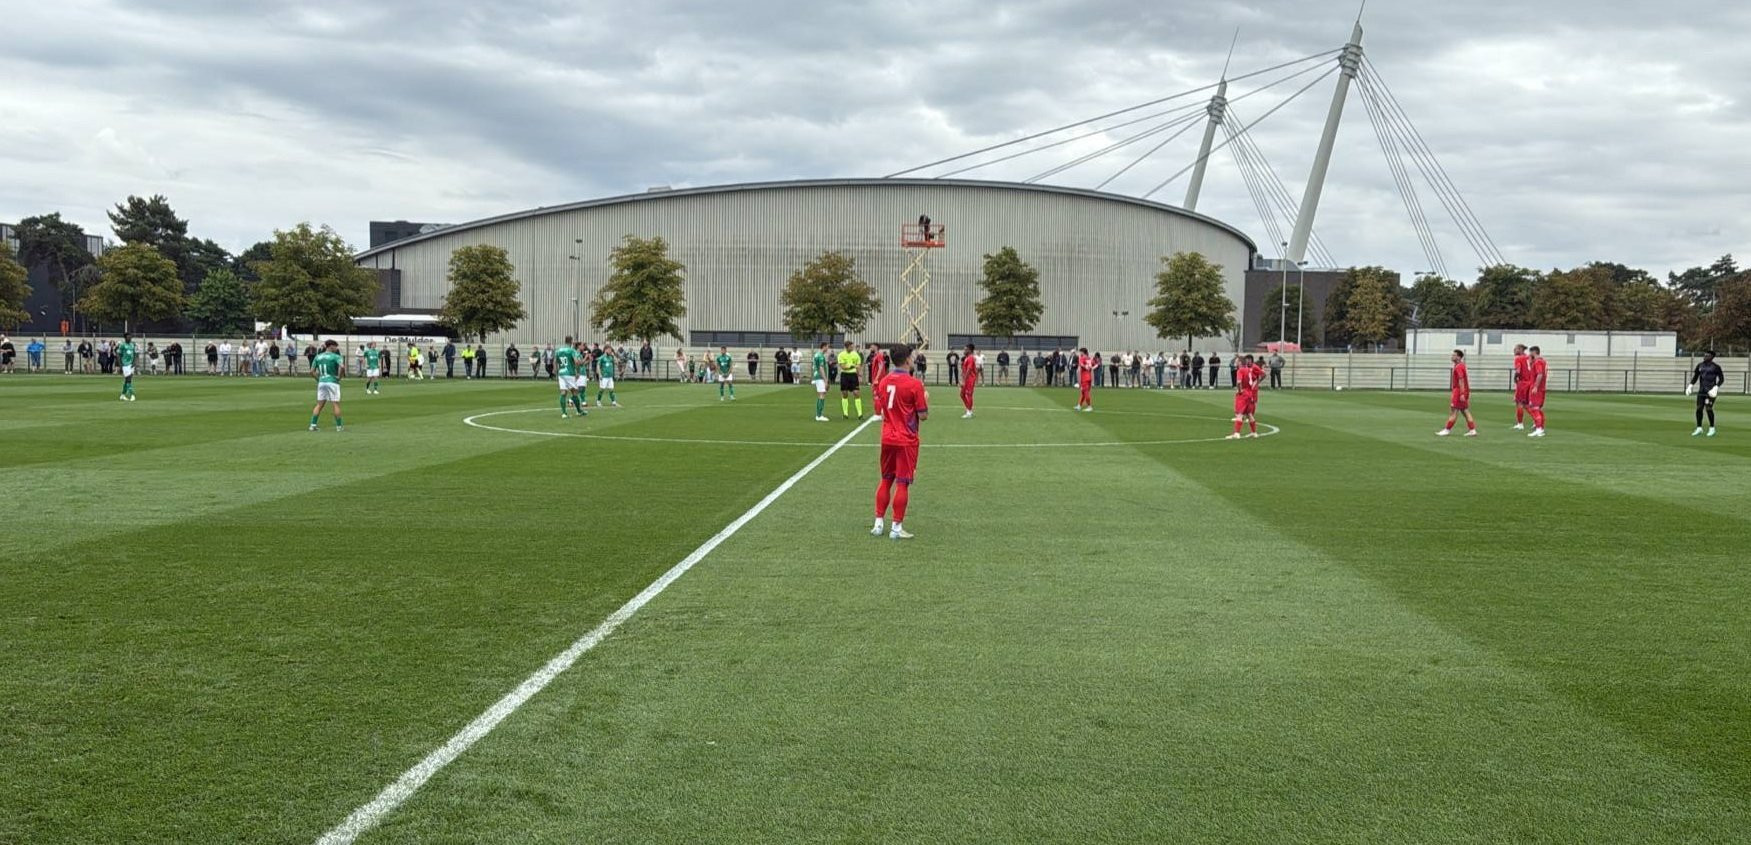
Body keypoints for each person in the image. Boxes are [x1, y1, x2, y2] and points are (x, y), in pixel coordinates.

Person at [872, 344, 928, 540]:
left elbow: (880, 408)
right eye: (911, 357)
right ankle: (896, 526)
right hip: (906, 439)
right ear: (907, 360)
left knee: (886, 479)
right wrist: (925, 399)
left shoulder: (884, 381)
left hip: (887, 436)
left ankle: (878, 523)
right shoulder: (915, 384)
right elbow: (923, 415)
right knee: (902, 483)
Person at [1437, 349, 1477, 437]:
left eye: (1454, 355)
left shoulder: (1459, 366)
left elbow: (1461, 379)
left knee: (1454, 411)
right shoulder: (1460, 365)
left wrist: (1462, 393)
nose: (1452, 356)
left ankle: (1447, 429)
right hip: (1463, 391)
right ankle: (1472, 430)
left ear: (1459, 357)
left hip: (1459, 391)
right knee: (1465, 411)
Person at [308, 339, 346, 431]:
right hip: (332, 381)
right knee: (335, 404)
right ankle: (339, 427)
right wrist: (339, 377)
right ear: (331, 346)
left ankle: (313, 425)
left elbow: (311, 371)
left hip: (322, 382)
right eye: (335, 346)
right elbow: (342, 366)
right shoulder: (336, 356)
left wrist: (318, 379)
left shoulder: (318, 356)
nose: (336, 348)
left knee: (319, 404)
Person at [1688, 349, 1724, 437]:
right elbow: (1696, 377)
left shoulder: (1716, 367)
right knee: (1699, 408)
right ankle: (1699, 428)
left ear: (1712, 357)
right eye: (1704, 355)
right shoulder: (1700, 366)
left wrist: (1716, 387)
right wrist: (1690, 385)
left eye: (1707, 355)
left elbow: (1721, 379)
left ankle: (1712, 428)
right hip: (1701, 391)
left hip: (1710, 391)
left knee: (1708, 408)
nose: (1705, 357)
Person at [1227, 354, 1264, 440]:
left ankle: (1236, 433)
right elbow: (1254, 379)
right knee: (1249, 414)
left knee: (1239, 413)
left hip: (1243, 394)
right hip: (1250, 393)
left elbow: (1239, 382)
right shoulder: (1248, 369)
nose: (1235, 362)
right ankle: (1254, 432)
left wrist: (1239, 391)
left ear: (1240, 362)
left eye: (1236, 361)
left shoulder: (1240, 370)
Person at [554, 337, 587, 418]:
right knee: (575, 392)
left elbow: (555, 361)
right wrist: (578, 371)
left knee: (563, 392)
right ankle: (579, 411)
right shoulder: (571, 350)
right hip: (569, 373)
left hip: (561, 373)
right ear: (571, 342)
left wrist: (556, 371)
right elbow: (576, 362)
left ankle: (564, 413)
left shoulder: (559, 350)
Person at [1525, 346, 1548, 437]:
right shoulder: (1542, 361)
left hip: (1537, 389)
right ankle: (1541, 428)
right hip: (1541, 388)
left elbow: (1539, 374)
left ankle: (1538, 429)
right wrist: (1530, 362)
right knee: (1537, 409)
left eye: (1530, 352)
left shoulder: (1538, 362)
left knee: (1534, 409)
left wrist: (1535, 387)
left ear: (1534, 352)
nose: (1529, 354)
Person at [837, 341, 864, 419]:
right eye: (851, 347)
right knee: (844, 393)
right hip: (844, 375)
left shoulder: (855, 354)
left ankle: (860, 414)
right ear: (847, 347)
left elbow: (858, 365)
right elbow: (843, 366)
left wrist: (859, 374)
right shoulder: (841, 355)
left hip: (853, 375)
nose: (852, 348)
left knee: (856, 393)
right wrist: (853, 366)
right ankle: (845, 414)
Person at [809, 342, 833, 421]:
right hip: (820, 377)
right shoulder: (821, 356)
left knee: (821, 394)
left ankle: (818, 414)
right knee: (822, 394)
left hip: (817, 376)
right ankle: (819, 415)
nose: (828, 349)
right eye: (827, 347)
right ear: (824, 347)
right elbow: (821, 368)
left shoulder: (816, 354)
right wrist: (825, 380)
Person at [1511, 343, 1532, 430]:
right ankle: (1537, 420)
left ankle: (1520, 424)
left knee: (1519, 403)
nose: (1514, 350)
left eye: (1515, 349)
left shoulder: (1518, 358)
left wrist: (1515, 378)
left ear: (1520, 349)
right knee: (1527, 404)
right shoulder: (1529, 357)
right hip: (1530, 382)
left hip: (1522, 383)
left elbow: (1518, 370)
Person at [959, 343, 979, 418]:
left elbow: (969, 369)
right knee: (962, 394)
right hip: (966, 379)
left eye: (965, 349)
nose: (964, 350)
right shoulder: (967, 357)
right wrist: (962, 378)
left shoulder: (970, 358)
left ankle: (969, 412)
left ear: (970, 350)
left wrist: (964, 380)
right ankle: (969, 410)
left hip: (970, 379)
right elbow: (964, 369)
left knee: (969, 394)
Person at [116, 333, 138, 401]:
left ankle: (122, 395)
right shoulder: (122, 345)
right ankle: (132, 395)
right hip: (125, 364)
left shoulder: (132, 345)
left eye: (130, 337)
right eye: (128, 337)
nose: (130, 338)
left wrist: (134, 362)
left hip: (131, 364)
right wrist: (120, 365)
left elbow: (135, 354)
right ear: (125, 338)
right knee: (128, 380)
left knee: (127, 380)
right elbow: (118, 355)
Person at [1075, 347, 1096, 412]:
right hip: (1089, 377)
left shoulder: (1082, 358)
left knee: (1085, 392)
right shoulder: (1089, 358)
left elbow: (1081, 364)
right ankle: (1079, 406)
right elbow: (1095, 364)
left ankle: (1089, 406)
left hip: (1084, 378)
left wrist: (1085, 366)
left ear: (1082, 352)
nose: (1079, 353)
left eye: (1080, 352)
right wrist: (1090, 367)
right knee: (1083, 392)